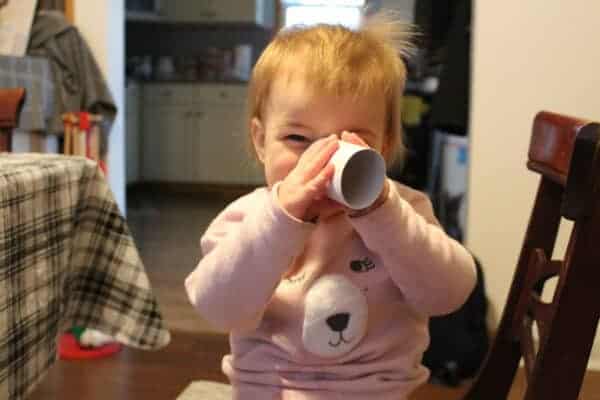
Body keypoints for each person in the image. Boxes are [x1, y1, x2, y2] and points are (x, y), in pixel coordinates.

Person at [185, 13, 476, 400]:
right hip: (269, 393)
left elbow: (448, 294)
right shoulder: (247, 219)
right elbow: (219, 309)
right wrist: (281, 219)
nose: (322, 161)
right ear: (260, 141)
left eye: (349, 142)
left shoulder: (403, 210)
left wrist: (383, 214)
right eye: (297, 137)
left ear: (383, 146)